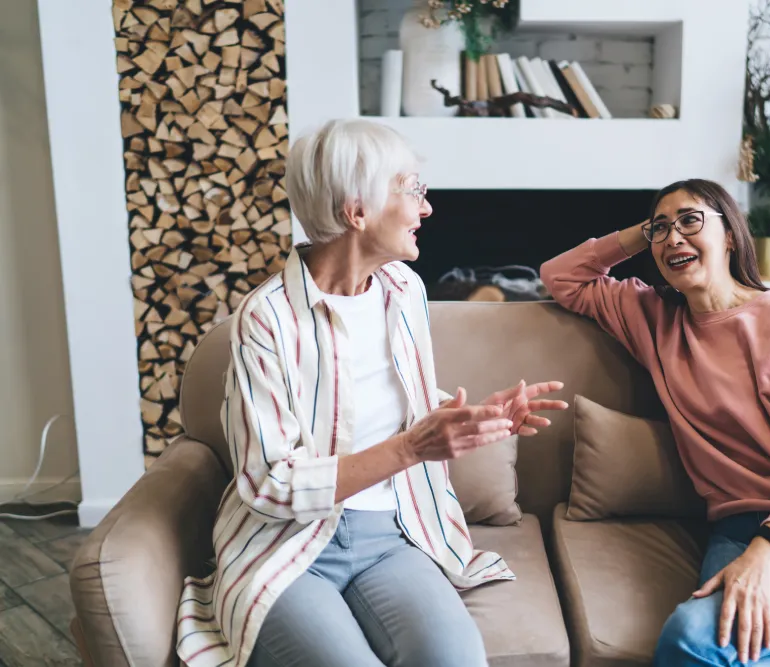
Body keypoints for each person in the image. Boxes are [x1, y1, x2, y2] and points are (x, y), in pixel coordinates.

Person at [175, 119, 568, 667]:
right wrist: (412, 447)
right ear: (356, 211)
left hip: (390, 534)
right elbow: (268, 481)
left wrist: (477, 418)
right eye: (412, 190)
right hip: (288, 546)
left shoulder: (404, 290)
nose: (426, 209)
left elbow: (403, 403)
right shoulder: (264, 321)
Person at [540, 179, 770, 666]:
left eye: (691, 220)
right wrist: (645, 230)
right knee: (751, 656)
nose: (674, 238)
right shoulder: (653, 319)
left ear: (730, 235)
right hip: (737, 527)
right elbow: (560, 276)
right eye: (661, 229)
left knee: (696, 639)